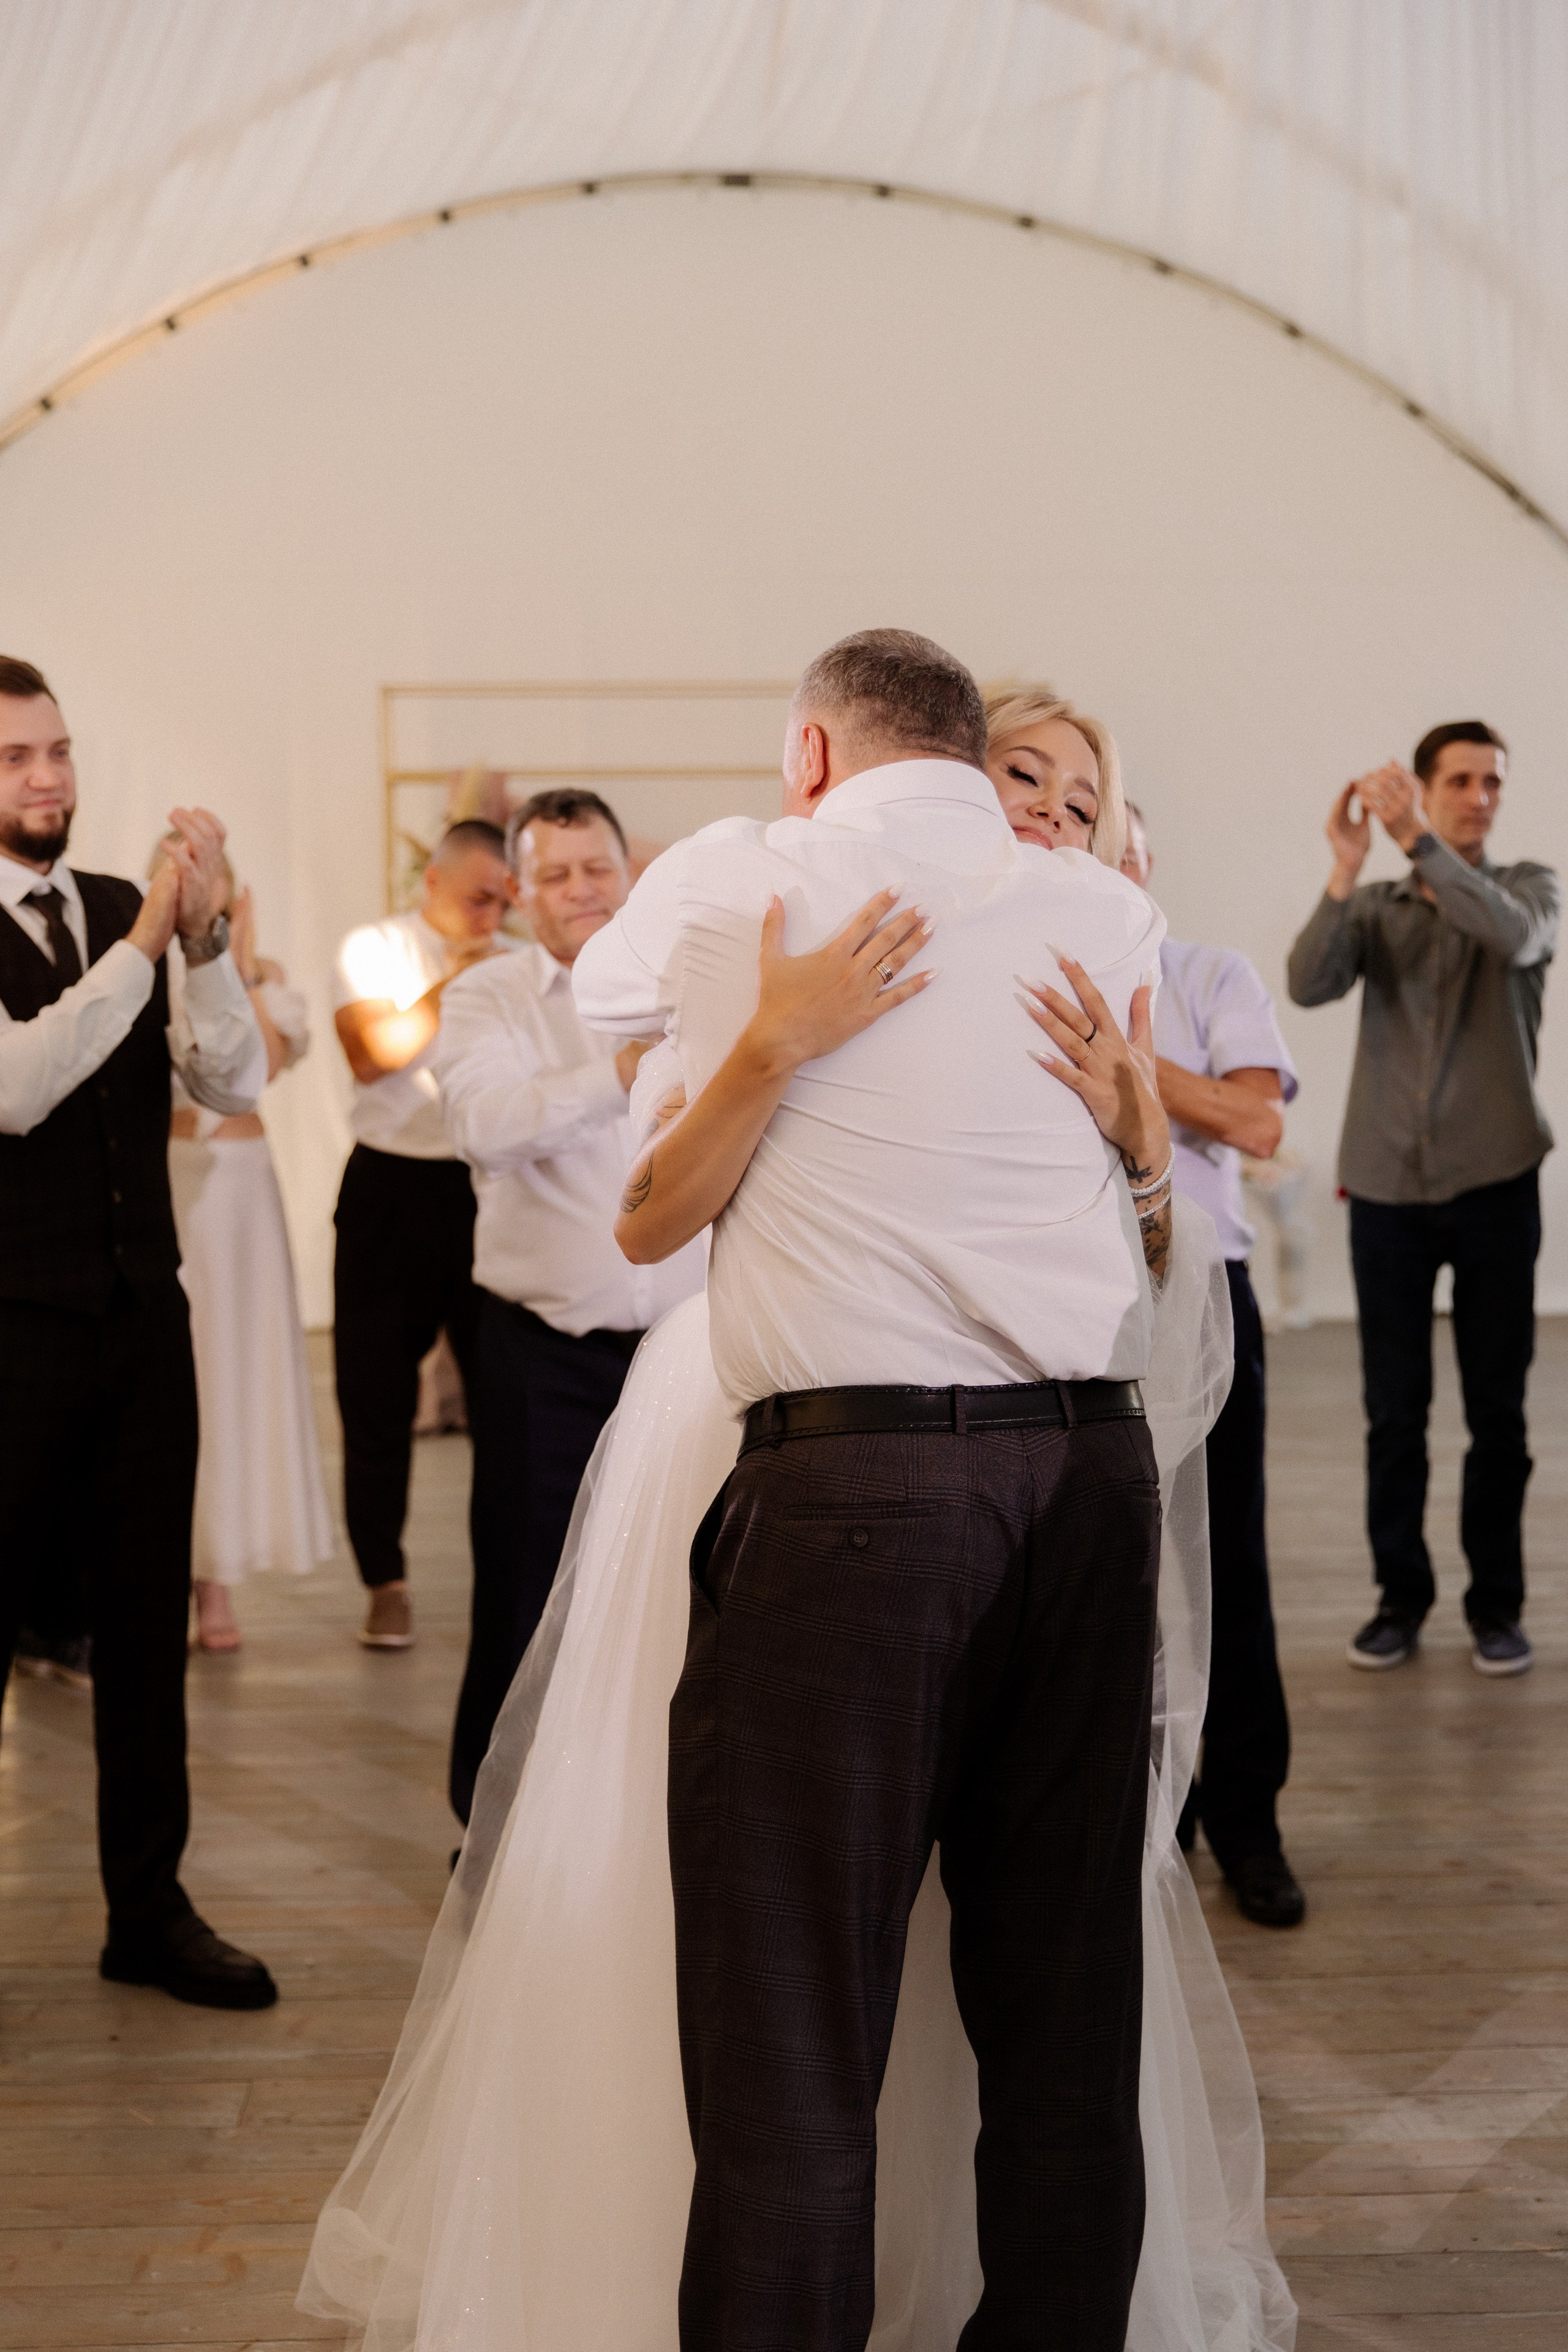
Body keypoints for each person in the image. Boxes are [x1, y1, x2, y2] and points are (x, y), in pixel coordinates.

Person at [299, 639, 1295, 2351]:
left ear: (813, 751)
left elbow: (631, 1136)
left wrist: (762, 1035)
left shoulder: (743, 872)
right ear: (981, 759)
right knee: (1066, 2018)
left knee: (790, 2033)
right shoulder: (1099, 912)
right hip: (1089, 1481)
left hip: (861, 1487)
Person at [0, 655, 276, 2010]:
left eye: (56, 752)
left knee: (143, 1626)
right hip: (8, 1331)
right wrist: (143, 948)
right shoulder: (123, 934)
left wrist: (206, 939)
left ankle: (148, 1912)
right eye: (15, 759)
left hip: (137, 1324)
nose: (47, 777)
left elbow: (230, 1076)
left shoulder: (129, 913)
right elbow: (18, 1087)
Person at [433, 788, 705, 1824]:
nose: (580, 890)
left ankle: (634, 1820)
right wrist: (613, 1069)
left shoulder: (692, 986)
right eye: (554, 874)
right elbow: (486, 1124)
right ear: (519, 889)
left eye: (596, 868)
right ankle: (491, 1826)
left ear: (627, 874)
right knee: (523, 1589)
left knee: (676, 1587)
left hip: (685, 1347)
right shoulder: (489, 995)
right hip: (539, 1351)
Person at [1287, 723, 1559, 1678]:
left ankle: (1497, 1608)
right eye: (1460, 779)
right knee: (1393, 1412)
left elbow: (1512, 935)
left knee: (1500, 1414)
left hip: (1496, 1183)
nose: (1480, 794)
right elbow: (1307, 982)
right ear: (1430, 785)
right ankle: (1400, 1599)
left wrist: (1417, 844)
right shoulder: (1375, 905)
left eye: (1492, 780)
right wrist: (1346, 864)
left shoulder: (1528, 888)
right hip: (1389, 1191)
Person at [1117, 801, 1305, 1929]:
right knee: (1105, 1573)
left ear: (1147, 864)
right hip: (1074, 1312)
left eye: (1122, 847)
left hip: (1205, 1298)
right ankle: (1146, 1821)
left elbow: (1258, 1122)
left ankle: (1247, 1821)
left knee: (1225, 1560)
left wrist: (1131, 1065)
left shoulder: (1209, 973)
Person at [331, 820, 511, 1649]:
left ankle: (510, 1582)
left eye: (503, 900)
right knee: (374, 1393)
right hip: (390, 1186)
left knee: (506, 1397)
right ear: (432, 883)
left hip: (484, 1185)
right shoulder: (378, 945)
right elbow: (376, 1056)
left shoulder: (518, 959)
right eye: (478, 897)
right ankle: (385, 1582)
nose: (490, 914)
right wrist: (458, 983)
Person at [163, 858, 332, 1651]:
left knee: (238, 1367)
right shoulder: (143, 968)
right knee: (186, 1371)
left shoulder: (264, 974)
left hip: (246, 1185)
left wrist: (239, 967)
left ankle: (220, 1575)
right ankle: (186, 1574)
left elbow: (253, 1067)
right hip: (180, 1180)